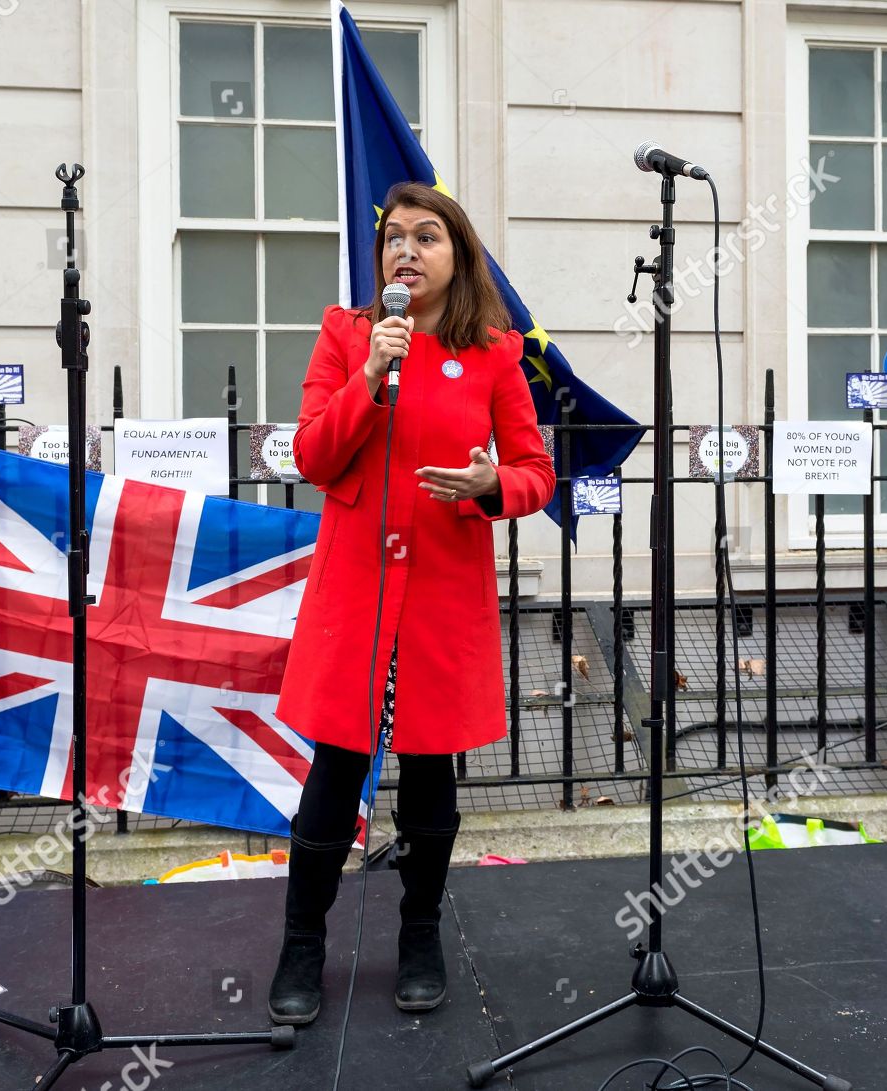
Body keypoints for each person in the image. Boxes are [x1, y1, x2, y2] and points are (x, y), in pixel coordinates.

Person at [268, 182, 556, 1025]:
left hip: (441, 589)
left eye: (426, 237)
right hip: (355, 587)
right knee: (336, 771)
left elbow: (536, 472)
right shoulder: (347, 334)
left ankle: (421, 932)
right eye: (394, 237)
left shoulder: (496, 353)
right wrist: (369, 376)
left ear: (457, 255)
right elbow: (315, 456)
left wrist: (488, 482)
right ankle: (301, 943)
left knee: (431, 771)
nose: (406, 250)